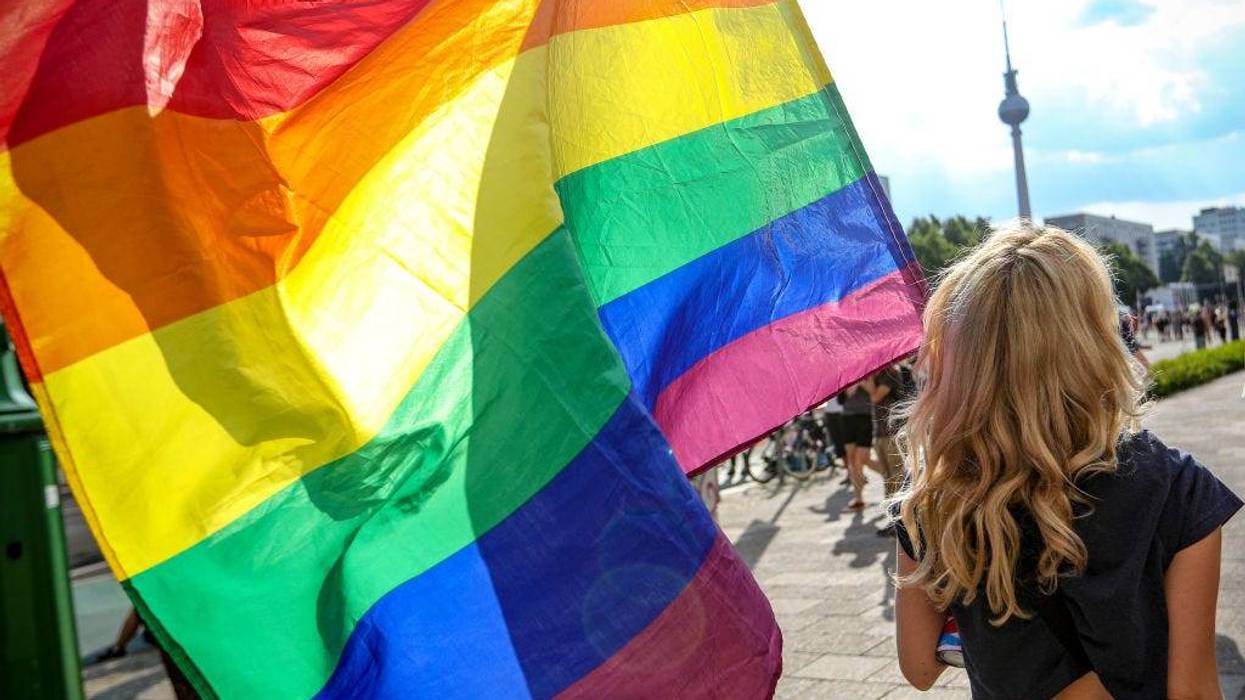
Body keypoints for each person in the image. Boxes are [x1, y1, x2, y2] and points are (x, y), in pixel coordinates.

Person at [890, 225, 1241, 698]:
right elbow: (1194, 691)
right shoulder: (1177, 487)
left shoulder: (938, 489)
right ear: (1094, 337)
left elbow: (918, 667)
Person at [864, 365, 906, 533]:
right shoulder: (877, 375)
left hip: (892, 434)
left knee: (896, 478)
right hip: (880, 433)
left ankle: (900, 523)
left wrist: (866, 383)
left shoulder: (890, 372)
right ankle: (892, 522)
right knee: (888, 479)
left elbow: (875, 396)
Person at [840, 382, 873, 510]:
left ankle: (887, 474)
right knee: (852, 460)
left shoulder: (868, 372)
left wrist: (862, 381)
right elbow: (846, 395)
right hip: (847, 417)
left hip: (865, 416)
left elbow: (872, 392)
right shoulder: (847, 374)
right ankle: (858, 498)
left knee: (862, 460)